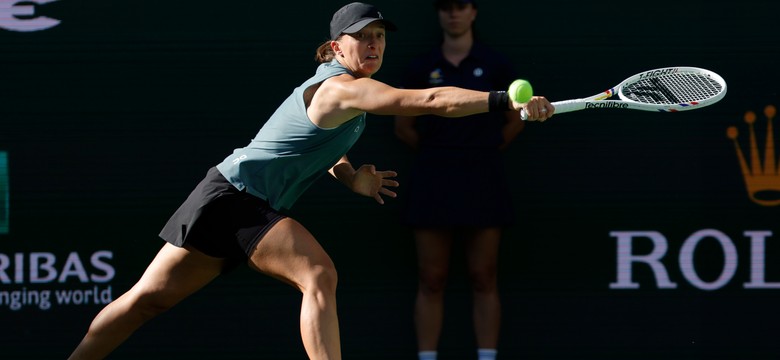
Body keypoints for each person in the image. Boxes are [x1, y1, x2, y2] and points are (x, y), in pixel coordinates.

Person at [67, 2, 553, 360]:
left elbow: (320, 149)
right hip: (236, 199)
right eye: (363, 37)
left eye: (380, 37)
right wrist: (501, 101)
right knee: (317, 275)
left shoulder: (336, 91)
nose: (374, 45)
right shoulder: (342, 88)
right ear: (337, 46)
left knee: (143, 304)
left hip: (224, 196)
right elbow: (426, 103)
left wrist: (350, 177)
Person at [393, 1, 526, 360]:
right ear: (439, 15)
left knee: (484, 275)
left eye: (461, 6)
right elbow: (402, 125)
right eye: (445, 7)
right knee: (431, 277)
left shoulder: (497, 65)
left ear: (473, 13)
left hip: (483, 175)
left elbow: (516, 119)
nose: (453, 14)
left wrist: (484, 147)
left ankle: (486, 356)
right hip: (432, 177)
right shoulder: (421, 66)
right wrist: (441, 151)